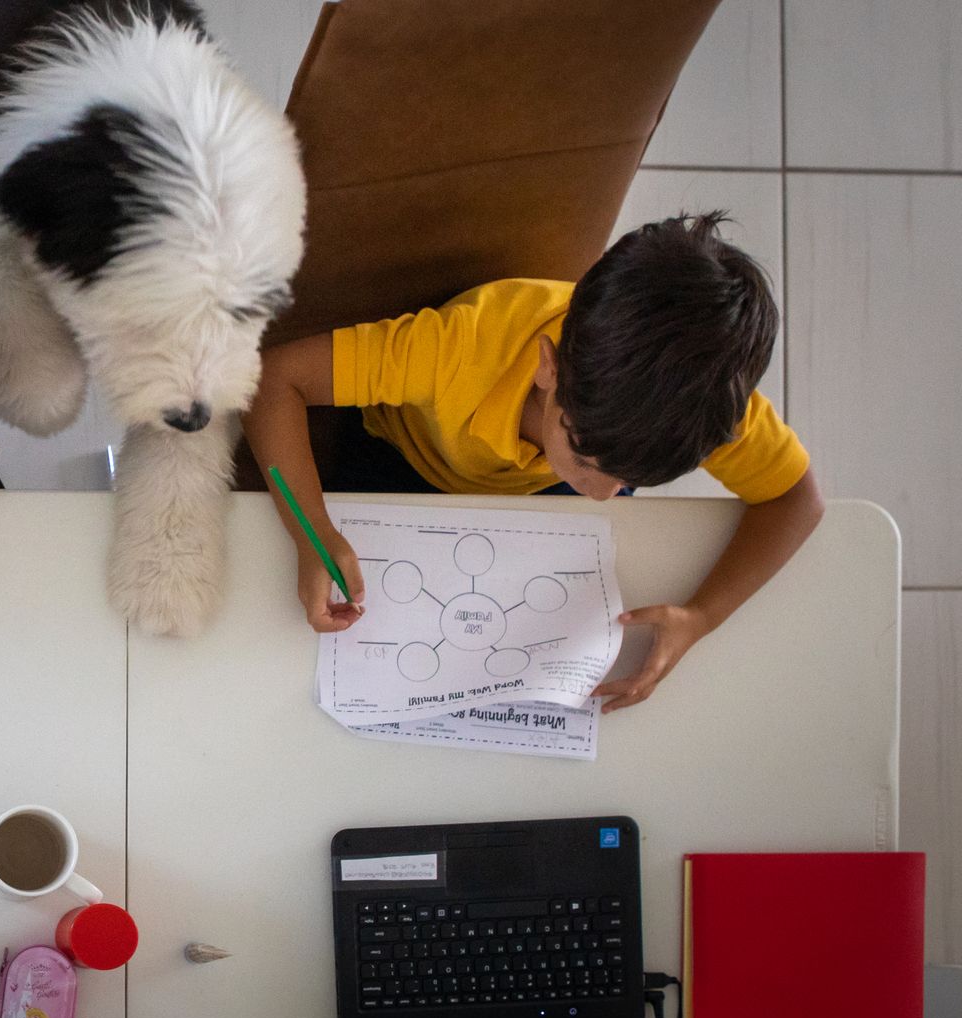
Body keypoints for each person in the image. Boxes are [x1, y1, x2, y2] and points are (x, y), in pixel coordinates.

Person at [244, 212, 822, 712]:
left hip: (540, 499)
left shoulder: (699, 407)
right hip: (407, 464)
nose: (604, 494)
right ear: (549, 366)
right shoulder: (459, 349)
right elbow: (275, 379)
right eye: (590, 457)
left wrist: (701, 616)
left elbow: (796, 500)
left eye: (633, 479)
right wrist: (312, 531)